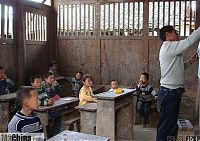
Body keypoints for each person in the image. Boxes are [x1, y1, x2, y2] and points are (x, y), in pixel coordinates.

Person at [157, 25, 200, 141]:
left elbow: (178, 67)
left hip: (171, 93)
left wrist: (190, 62)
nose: (177, 34)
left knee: (170, 126)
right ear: (168, 35)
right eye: (175, 32)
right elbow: (189, 41)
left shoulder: (169, 48)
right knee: (166, 127)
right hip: (169, 93)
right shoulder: (169, 46)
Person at [42, 71, 62, 138]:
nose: (53, 80)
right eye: (51, 78)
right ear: (45, 79)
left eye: (53, 78)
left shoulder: (52, 86)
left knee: (58, 114)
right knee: (55, 115)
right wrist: (52, 99)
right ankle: (50, 134)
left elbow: (59, 95)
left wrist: (56, 85)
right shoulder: (42, 86)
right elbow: (47, 97)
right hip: (43, 108)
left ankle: (55, 134)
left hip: (50, 106)